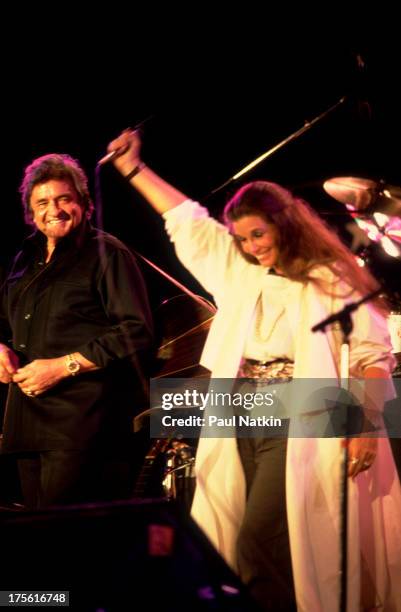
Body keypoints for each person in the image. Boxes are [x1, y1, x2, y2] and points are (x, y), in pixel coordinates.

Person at [107, 129, 401, 612]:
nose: (250, 246)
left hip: (301, 417)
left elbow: (372, 357)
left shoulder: (330, 276)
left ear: (285, 225)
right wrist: (133, 170)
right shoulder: (240, 269)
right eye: (242, 238)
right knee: (238, 533)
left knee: (258, 536)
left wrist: (367, 427)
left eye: (258, 234)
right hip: (243, 411)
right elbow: (187, 219)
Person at [0, 152, 154, 510]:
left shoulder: (106, 253)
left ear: (85, 204)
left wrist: (62, 366)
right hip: (26, 423)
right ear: (30, 212)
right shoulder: (24, 259)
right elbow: (4, 323)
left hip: (80, 423)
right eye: (42, 202)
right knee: (37, 539)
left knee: (69, 543)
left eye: (63, 199)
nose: (53, 209)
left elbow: (136, 330)